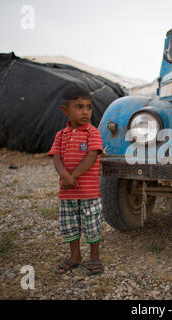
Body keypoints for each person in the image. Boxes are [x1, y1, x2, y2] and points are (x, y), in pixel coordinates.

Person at [48, 87, 104, 276]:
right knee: (69, 225)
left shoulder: (92, 133)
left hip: (88, 191)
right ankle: (75, 256)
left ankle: (94, 257)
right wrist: (65, 176)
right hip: (67, 192)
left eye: (88, 107)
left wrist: (72, 177)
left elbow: (91, 156)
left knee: (92, 225)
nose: (85, 112)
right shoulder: (60, 135)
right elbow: (56, 157)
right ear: (66, 111)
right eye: (79, 107)